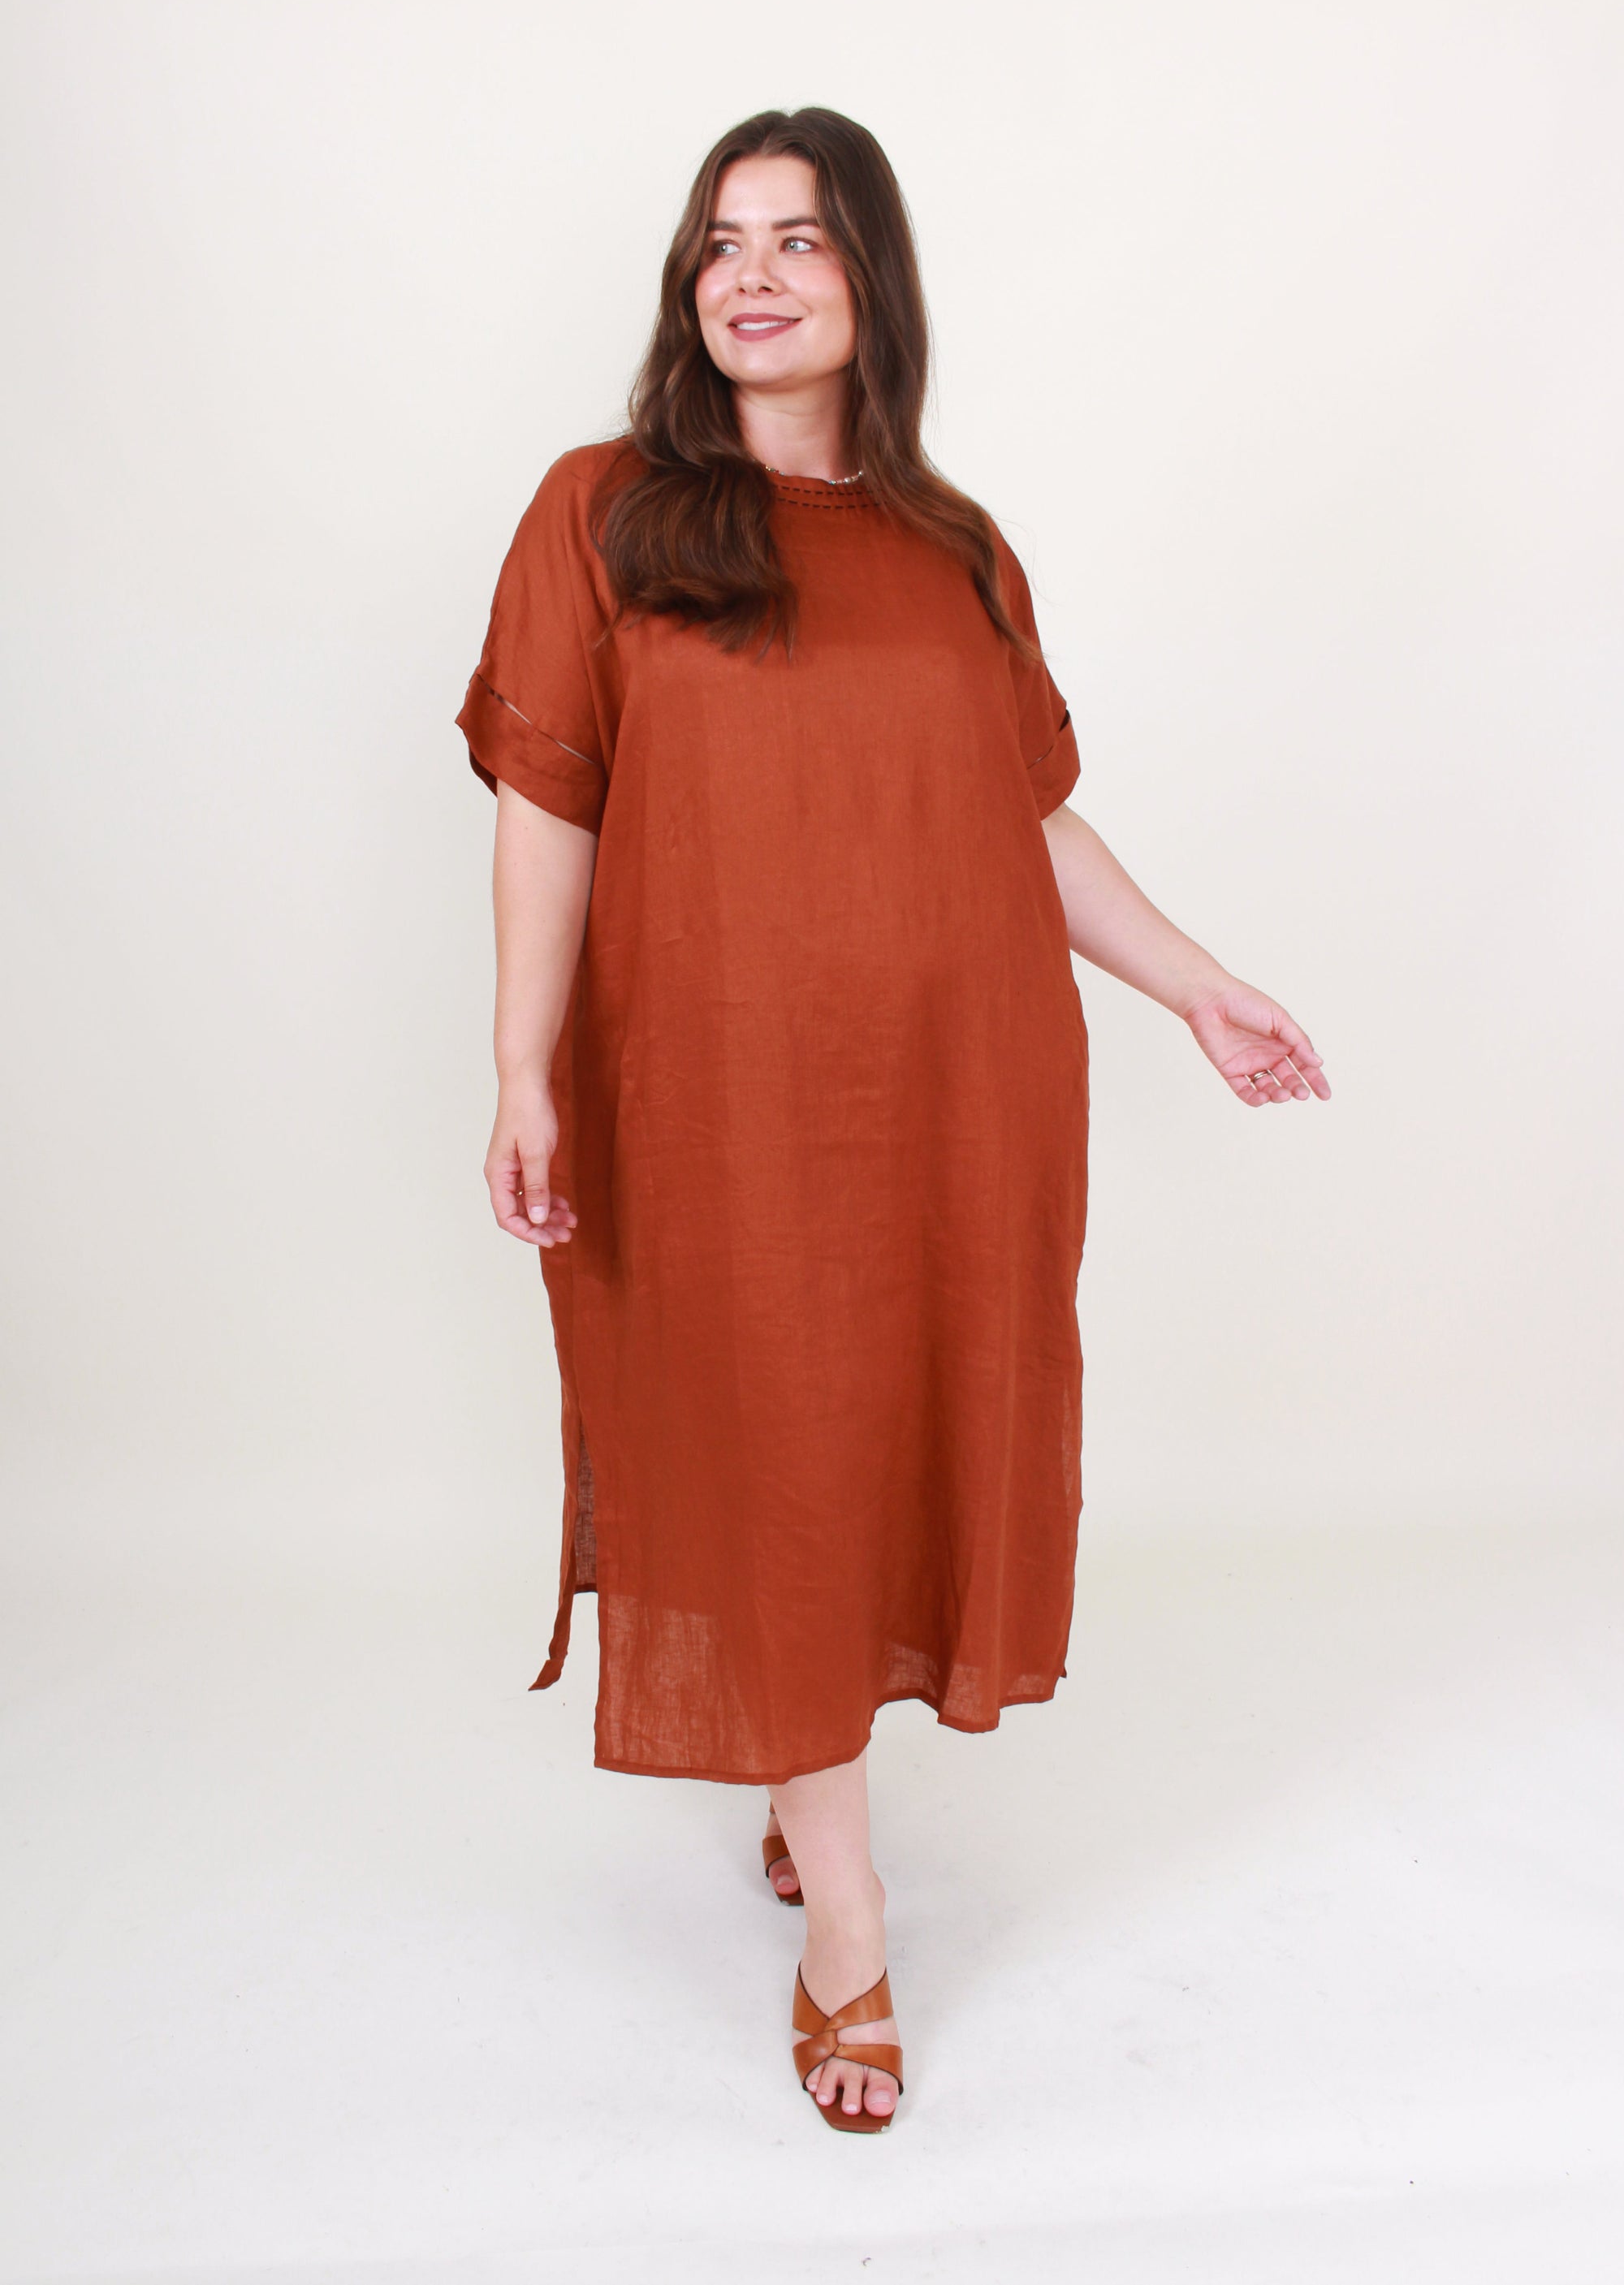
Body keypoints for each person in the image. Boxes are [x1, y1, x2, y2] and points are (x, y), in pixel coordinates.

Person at [455, 106, 1331, 2135]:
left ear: (871, 289)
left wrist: (1197, 980)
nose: (753, 273)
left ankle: (801, 1771)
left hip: (951, 1091)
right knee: (771, 1446)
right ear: (692, 288)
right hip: (722, 1092)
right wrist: (516, 1059)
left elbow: (1023, 812)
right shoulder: (601, 511)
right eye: (722, 241)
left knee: (886, 1431)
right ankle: (843, 1921)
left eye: (805, 241)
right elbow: (546, 800)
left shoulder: (955, 546)